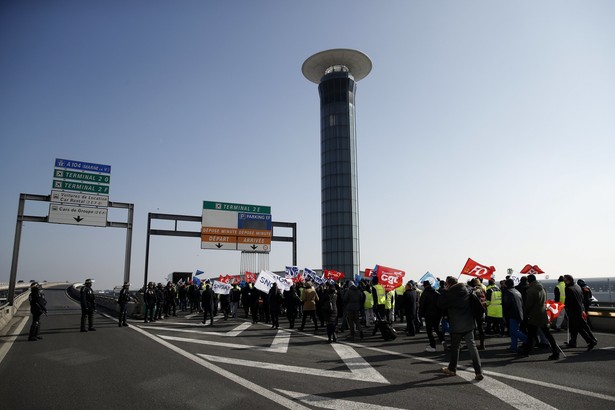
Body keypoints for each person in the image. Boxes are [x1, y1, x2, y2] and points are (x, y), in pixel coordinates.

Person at [437, 276, 484, 381]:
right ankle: (478, 371)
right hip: (469, 323)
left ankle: (452, 369)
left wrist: (444, 292)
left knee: (455, 347)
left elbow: (440, 304)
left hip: (456, 325)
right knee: (472, 347)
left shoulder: (450, 294)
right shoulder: (467, 290)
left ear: (448, 284)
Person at [522, 274, 559, 360]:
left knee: (531, 334)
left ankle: (527, 351)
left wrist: (526, 313)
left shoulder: (530, 290)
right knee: (548, 334)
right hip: (542, 313)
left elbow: (529, 304)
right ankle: (555, 351)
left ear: (529, 281)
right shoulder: (541, 288)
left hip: (534, 315)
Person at [563, 275, 597, 350]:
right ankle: (591, 339)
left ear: (568, 280)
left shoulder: (568, 288)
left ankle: (590, 341)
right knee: (584, 326)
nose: (564, 282)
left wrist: (565, 306)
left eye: (565, 280)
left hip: (574, 311)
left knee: (578, 327)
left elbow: (569, 301)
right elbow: (582, 298)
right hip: (581, 309)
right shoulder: (577, 286)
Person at [418, 280, 445, 352]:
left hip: (429, 314)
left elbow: (421, 304)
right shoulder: (436, 292)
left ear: (424, 285)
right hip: (438, 314)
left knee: (429, 330)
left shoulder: (425, 293)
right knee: (437, 328)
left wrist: (420, 315)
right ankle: (443, 341)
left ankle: (433, 346)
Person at [502, 278, 527, 353]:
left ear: (507, 284)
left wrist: (504, 315)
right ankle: (513, 347)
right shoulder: (517, 291)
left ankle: (528, 341)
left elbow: (506, 305)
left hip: (512, 314)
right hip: (519, 313)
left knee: (514, 331)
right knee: (513, 331)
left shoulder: (507, 292)